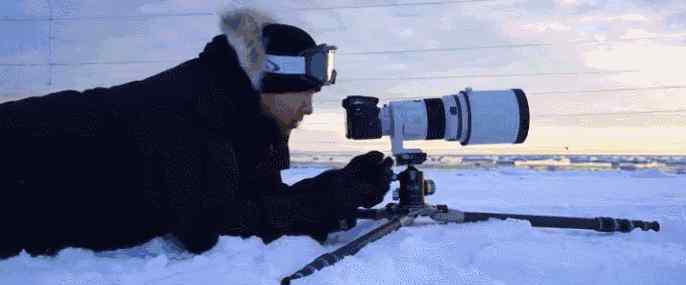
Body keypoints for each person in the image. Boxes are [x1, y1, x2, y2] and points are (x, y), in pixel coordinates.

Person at [0, 9, 393, 258]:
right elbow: (214, 224)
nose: (309, 108)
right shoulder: (191, 111)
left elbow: (259, 199)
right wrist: (328, 202)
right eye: (304, 94)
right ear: (269, 78)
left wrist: (340, 186)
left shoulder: (236, 110)